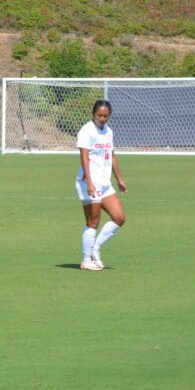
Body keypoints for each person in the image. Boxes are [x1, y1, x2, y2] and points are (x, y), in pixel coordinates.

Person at [74, 100, 127, 271]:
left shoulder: (108, 132)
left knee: (119, 218)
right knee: (93, 222)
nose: (102, 119)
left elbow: (111, 156)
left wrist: (119, 179)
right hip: (88, 182)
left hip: (104, 183)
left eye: (105, 116)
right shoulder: (86, 131)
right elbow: (84, 158)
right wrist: (89, 182)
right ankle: (86, 259)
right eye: (99, 115)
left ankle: (95, 249)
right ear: (93, 114)